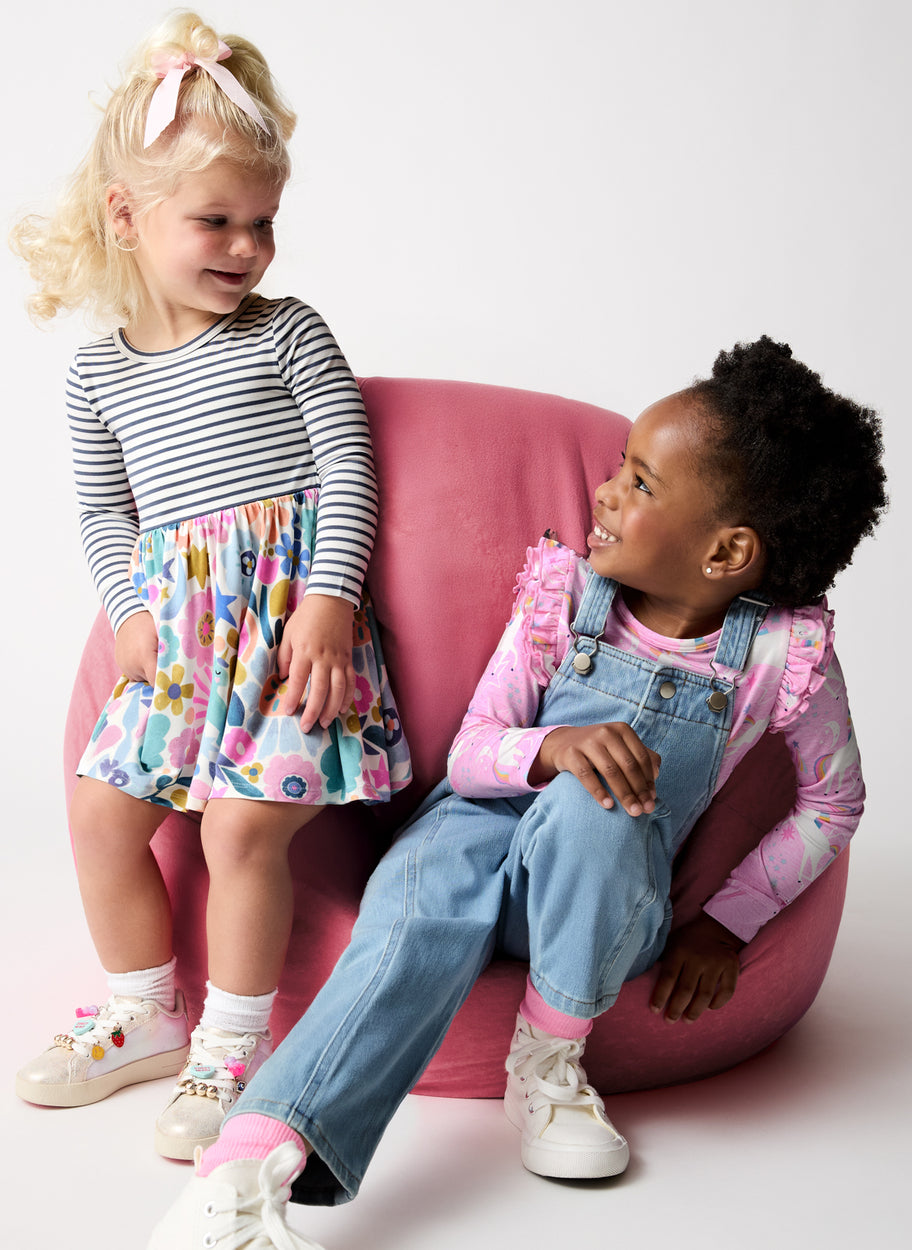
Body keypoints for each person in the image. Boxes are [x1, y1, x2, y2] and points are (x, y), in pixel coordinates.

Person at [146, 335, 887, 1249]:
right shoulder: (560, 594)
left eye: (643, 485)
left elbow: (834, 803)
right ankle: (245, 1171)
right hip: (464, 846)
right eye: (620, 469)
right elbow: (471, 756)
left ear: (728, 550)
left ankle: (548, 1058)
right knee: (424, 905)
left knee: (601, 798)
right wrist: (551, 748)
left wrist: (724, 921)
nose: (606, 494)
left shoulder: (782, 657)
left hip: (595, 894)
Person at [11, 11, 411, 1161]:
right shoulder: (97, 376)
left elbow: (348, 459)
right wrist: (132, 612)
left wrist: (330, 600)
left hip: (289, 637)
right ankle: (144, 1004)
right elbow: (104, 511)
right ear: (126, 217)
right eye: (216, 220)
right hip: (181, 646)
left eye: (264, 223)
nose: (246, 246)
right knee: (97, 809)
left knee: (242, 827)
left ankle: (233, 1046)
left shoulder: (287, 335)